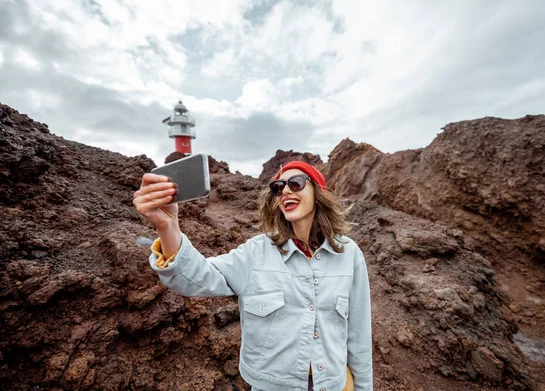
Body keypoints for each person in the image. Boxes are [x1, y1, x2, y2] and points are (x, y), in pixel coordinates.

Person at [133, 161, 373, 391]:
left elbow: (359, 336)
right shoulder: (256, 252)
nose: (285, 191)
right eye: (278, 188)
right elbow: (198, 277)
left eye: (296, 183)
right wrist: (167, 226)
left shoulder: (349, 253)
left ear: (318, 192)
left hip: (335, 385)